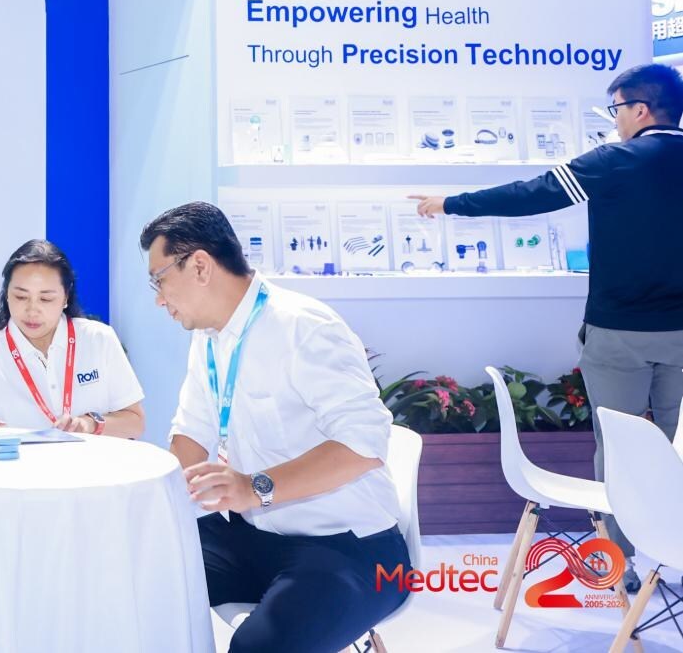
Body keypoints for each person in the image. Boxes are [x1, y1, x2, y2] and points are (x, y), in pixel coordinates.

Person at [410, 63, 683, 588]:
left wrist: (450, 204)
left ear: (640, 110)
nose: (615, 121)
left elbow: (531, 194)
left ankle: (620, 564)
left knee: (619, 449)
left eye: (617, 109)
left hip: (618, 334)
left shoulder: (615, 160)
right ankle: (673, 549)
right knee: (676, 447)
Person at [141, 202, 408, 653]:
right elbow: (191, 432)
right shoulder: (208, 338)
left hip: (351, 548)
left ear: (200, 266)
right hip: (253, 537)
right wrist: (155, 504)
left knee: (257, 649)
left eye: (159, 279)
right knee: (135, 573)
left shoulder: (304, 327)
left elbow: (363, 445)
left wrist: (254, 487)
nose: (159, 298)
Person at [0, 239, 145, 438]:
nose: (32, 310)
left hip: (95, 458)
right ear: (6, 294)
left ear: (66, 297)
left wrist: (89, 424)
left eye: (46, 299)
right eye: (21, 297)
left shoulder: (99, 339)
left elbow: (135, 423)